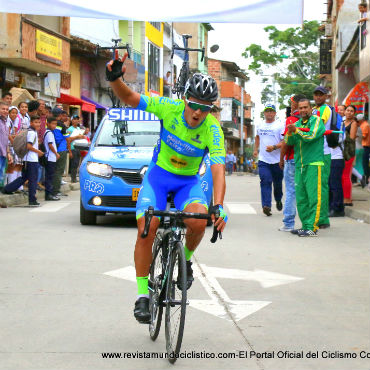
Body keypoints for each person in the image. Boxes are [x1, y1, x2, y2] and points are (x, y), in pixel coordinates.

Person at [106, 54, 227, 324]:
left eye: (206, 108)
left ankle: (185, 262)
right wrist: (115, 79)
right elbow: (131, 99)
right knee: (147, 226)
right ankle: (142, 296)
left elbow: (218, 167)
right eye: (195, 105)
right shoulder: (168, 107)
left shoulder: (213, 129)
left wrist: (218, 205)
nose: (198, 113)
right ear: (185, 99)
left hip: (188, 184)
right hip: (158, 179)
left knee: (197, 222)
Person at [285, 99, 326, 237]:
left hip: (314, 164)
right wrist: (290, 132)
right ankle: (305, 225)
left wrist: (296, 131)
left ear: (310, 108)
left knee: (313, 197)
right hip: (299, 165)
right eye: (300, 108)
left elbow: (311, 136)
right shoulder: (296, 123)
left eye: (305, 107)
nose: (303, 110)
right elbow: (289, 142)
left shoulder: (317, 121)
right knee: (301, 198)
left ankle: (312, 227)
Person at [279, 94, 305, 231]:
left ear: (295, 103)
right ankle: (308, 223)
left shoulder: (291, 119)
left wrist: (281, 158)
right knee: (302, 191)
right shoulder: (309, 120)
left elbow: (286, 142)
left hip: (291, 158)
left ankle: (288, 223)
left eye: (291, 102)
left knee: (291, 191)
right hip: (304, 159)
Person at [3, 116, 43, 206]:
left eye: (39, 122)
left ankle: (8, 189)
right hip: (31, 160)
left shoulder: (31, 132)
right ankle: (32, 200)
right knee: (33, 179)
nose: (38, 124)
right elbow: (29, 146)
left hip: (27, 159)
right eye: (35, 122)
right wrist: (38, 152)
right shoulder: (32, 133)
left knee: (24, 177)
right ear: (31, 123)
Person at [253, 104, 285, 216]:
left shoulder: (280, 125)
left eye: (271, 111)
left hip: (277, 160)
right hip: (264, 160)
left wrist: (274, 147)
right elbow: (257, 137)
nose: (269, 113)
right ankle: (266, 206)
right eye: (267, 111)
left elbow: (284, 141)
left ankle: (278, 199)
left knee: (277, 183)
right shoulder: (260, 125)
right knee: (265, 181)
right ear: (264, 113)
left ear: (275, 113)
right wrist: (255, 149)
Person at [312, 86, 331, 229]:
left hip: (323, 152)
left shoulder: (324, 109)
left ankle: (323, 219)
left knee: (322, 186)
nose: (318, 97)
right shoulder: (314, 109)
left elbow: (317, 125)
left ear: (326, 96)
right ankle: (317, 216)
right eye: (316, 94)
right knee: (316, 187)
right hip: (315, 152)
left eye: (321, 95)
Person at [329, 108, 345, 217]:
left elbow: (338, 139)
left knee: (335, 184)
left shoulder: (337, 123)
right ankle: (332, 207)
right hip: (329, 158)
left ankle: (338, 208)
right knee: (330, 184)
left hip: (337, 158)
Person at [341, 105, 358, 206]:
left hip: (349, 152)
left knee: (346, 176)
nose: (349, 112)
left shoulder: (354, 123)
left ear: (354, 113)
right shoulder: (342, 123)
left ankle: (347, 199)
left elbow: (351, 139)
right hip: (341, 152)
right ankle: (344, 197)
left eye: (351, 111)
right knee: (342, 176)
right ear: (344, 112)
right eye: (347, 110)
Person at [43, 117, 60, 201]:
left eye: (55, 124)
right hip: (50, 157)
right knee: (49, 177)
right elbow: (50, 145)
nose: (54, 126)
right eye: (53, 124)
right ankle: (48, 194)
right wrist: (56, 153)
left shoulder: (49, 132)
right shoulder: (49, 133)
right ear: (48, 124)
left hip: (51, 158)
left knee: (50, 176)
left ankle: (50, 194)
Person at [6, 106, 23, 188]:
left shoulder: (16, 121)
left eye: (16, 113)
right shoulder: (7, 121)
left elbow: (14, 134)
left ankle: (12, 186)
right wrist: (14, 141)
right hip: (8, 144)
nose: (14, 114)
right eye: (12, 112)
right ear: (9, 113)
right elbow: (8, 134)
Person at [67, 115, 83, 183]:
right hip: (73, 148)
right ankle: (73, 179)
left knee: (77, 164)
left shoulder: (79, 129)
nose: (76, 121)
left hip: (78, 147)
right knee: (74, 164)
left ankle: (75, 177)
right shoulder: (69, 129)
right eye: (74, 119)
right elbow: (68, 140)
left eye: (77, 119)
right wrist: (70, 151)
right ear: (71, 120)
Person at [0, 102, 12, 190]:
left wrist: (8, 153)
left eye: (7, 109)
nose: (5, 111)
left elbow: (6, 139)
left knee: (1, 176)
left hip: (4, 153)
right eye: (3, 109)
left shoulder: (6, 122)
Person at [357, 114, 370, 185]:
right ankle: (361, 179)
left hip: (365, 146)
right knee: (361, 164)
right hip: (362, 146)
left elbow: (364, 135)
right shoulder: (362, 125)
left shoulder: (365, 125)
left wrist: (356, 134)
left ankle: (365, 179)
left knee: (364, 164)